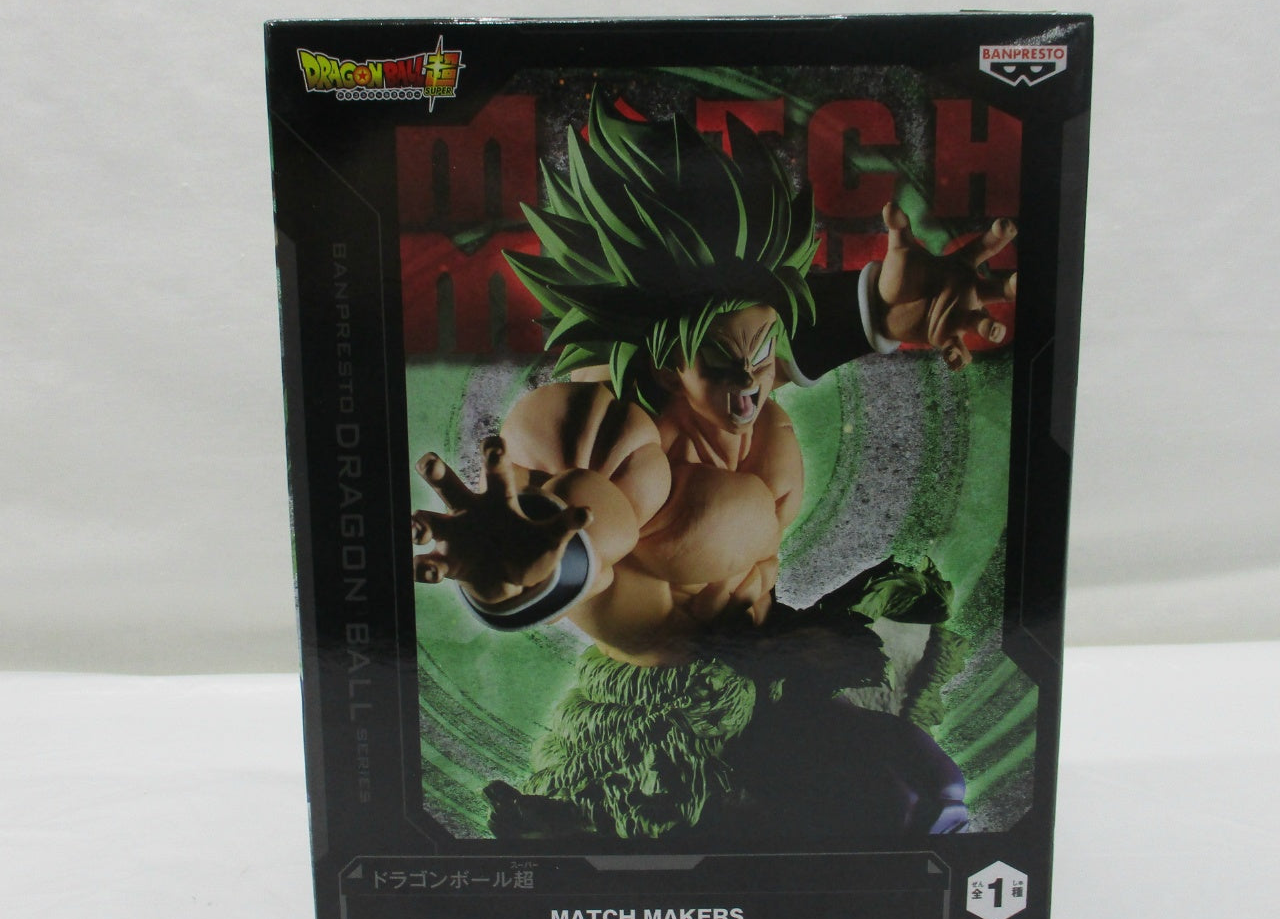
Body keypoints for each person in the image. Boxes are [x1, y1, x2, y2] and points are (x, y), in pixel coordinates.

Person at [411, 93, 1016, 842]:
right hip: (665, 705)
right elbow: (590, 523)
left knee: (925, 779)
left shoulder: (749, 395)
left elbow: (782, 338)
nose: (751, 385)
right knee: (893, 802)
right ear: (663, 358)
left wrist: (888, 310)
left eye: (761, 353)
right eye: (720, 362)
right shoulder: (608, 428)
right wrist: (521, 559)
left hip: (766, 657)